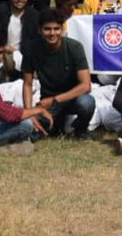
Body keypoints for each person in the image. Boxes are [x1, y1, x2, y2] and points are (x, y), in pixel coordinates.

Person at [21, 9, 96, 139]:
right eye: (47, 29)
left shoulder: (74, 47)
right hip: (48, 104)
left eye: (56, 29)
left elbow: (86, 86)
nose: (52, 33)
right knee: (30, 131)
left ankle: (80, 131)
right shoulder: (31, 49)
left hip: (71, 99)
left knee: (87, 102)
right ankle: (57, 126)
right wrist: (30, 113)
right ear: (39, 30)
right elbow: (27, 84)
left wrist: (55, 100)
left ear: (62, 29)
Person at [0, 0, 40, 76]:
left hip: (26, 55)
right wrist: (3, 48)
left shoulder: (34, 16)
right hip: (2, 54)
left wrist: (19, 50)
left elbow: (36, 42)